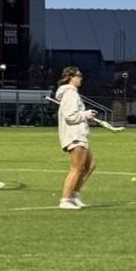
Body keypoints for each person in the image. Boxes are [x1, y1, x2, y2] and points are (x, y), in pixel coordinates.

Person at [56, 67, 97, 210]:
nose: (81, 78)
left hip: (80, 134)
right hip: (75, 135)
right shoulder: (70, 94)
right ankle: (65, 199)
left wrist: (87, 115)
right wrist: (85, 115)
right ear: (70, 77)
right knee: (77, 168)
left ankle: (74, 194)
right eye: (78, 75)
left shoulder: (73, 94)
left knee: (90, 165)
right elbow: (70, 117)